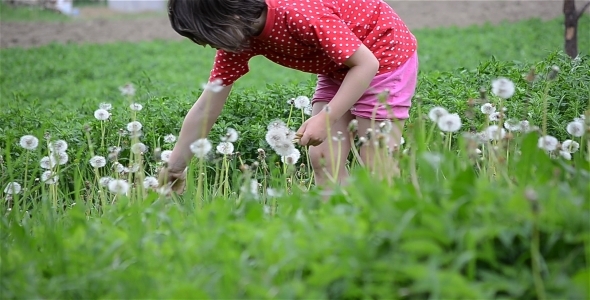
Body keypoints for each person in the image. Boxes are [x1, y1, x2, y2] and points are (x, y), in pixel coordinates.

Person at [159, 0, 418, 194]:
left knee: (377, 159)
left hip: (383, 54)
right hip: (335, 65)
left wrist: (326, 118)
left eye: (203, 34)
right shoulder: (239, 37)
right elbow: (207, 107)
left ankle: (395, 233)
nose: (204, 44)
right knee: (324, 158)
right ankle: (339, 230)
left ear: (226, 16)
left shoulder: (297, 13)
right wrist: (174, 167)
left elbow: (366, 64)